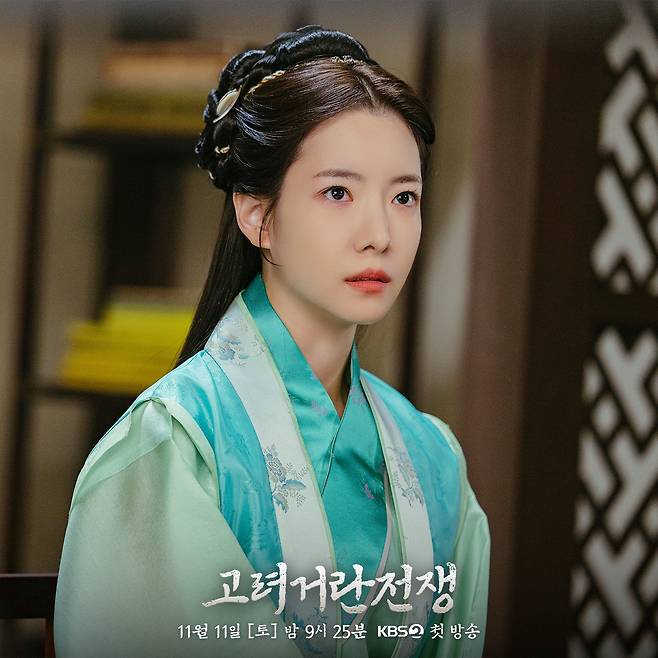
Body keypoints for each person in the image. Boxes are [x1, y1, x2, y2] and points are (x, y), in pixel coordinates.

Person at [54, 25, 490, 658]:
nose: (380, 234)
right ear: (256, 214)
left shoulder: (433, 458)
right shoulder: (177, 443)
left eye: (404, 197)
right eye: (337, 192)